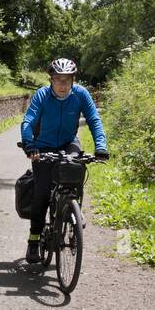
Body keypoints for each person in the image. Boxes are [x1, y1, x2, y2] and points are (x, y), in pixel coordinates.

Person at [19, 58, 109, 264]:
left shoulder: (80, 94)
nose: (62, 85)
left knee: (76, 172)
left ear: (73, 80)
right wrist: (29, 144)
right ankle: (34, 240)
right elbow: (29, 120)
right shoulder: (42, 95)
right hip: (43, 146)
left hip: (68, 142)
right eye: (58, 80)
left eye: (67, 80)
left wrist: (101, 146)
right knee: (41, 192)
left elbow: (94, 119)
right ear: (51, 80)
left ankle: (74, 210)